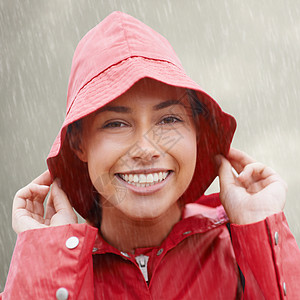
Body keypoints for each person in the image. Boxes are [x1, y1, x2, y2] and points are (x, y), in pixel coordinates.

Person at [1, 11, 300, 299]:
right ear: (79, 143)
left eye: (168, 120)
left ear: (196, 132)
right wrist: (44, 254)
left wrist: (259, 229)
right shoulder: (51, 269)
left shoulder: (240, 248)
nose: (145, 150)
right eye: (116, 123)